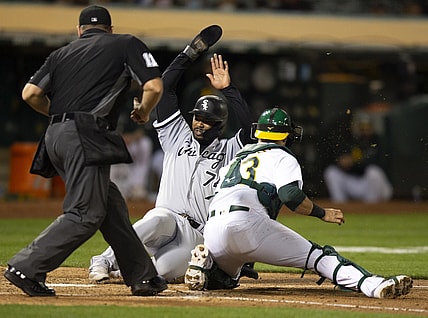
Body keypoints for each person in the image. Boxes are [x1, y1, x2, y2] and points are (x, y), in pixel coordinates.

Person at [4, 5, 167, 297]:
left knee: (110, 205)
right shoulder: (126, 43)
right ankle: (26, 266)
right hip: (86, 134)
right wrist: (142, 111)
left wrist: (61, 117)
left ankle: (143, 276)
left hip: (54, 135)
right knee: (85, 213)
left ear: (79, 30)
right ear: (110, 29)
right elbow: (154, 86)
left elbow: (30, 93)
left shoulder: (60, 53)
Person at [184, 107, 413, 299]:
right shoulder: (282, 155)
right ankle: (373, 285)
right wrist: (322, 213)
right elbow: (291, 196)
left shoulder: (238, 156)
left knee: (229, 278)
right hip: (248, 222)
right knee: (318, 256)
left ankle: (207, 265)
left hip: (213, 229)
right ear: (285, 136)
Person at [89, 25, 256, 284]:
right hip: (169, 221)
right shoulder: (177, 135)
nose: (199, 123)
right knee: (157, 217)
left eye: (207, 120)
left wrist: (229, 90)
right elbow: (164, 89)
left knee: (162, 273)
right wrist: (188, 55)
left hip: (198, 236)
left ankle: (122, 273)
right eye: (197, 118)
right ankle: (104, 260)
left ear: (220, 125)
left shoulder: (229, 149)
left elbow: (250, 130)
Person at [323, 114, 393, 203]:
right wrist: (342, 162)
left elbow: (379, 162)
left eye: (367, 127)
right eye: (362, 128)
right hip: (356, 183)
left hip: (375, 185)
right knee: (331, 172)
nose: (365, 131)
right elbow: (338, 158)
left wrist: (354, 162)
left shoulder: (379, 141)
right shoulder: (352, 141)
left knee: (374, 172)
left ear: (372, 127)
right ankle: (340, 206)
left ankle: (372, 208)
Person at [110, 128, 153, 201]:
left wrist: (131, 138)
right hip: (116, 143)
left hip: (133, 142)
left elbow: (142, 130)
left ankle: (137, 186)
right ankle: (118, 187)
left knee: (145, 143)